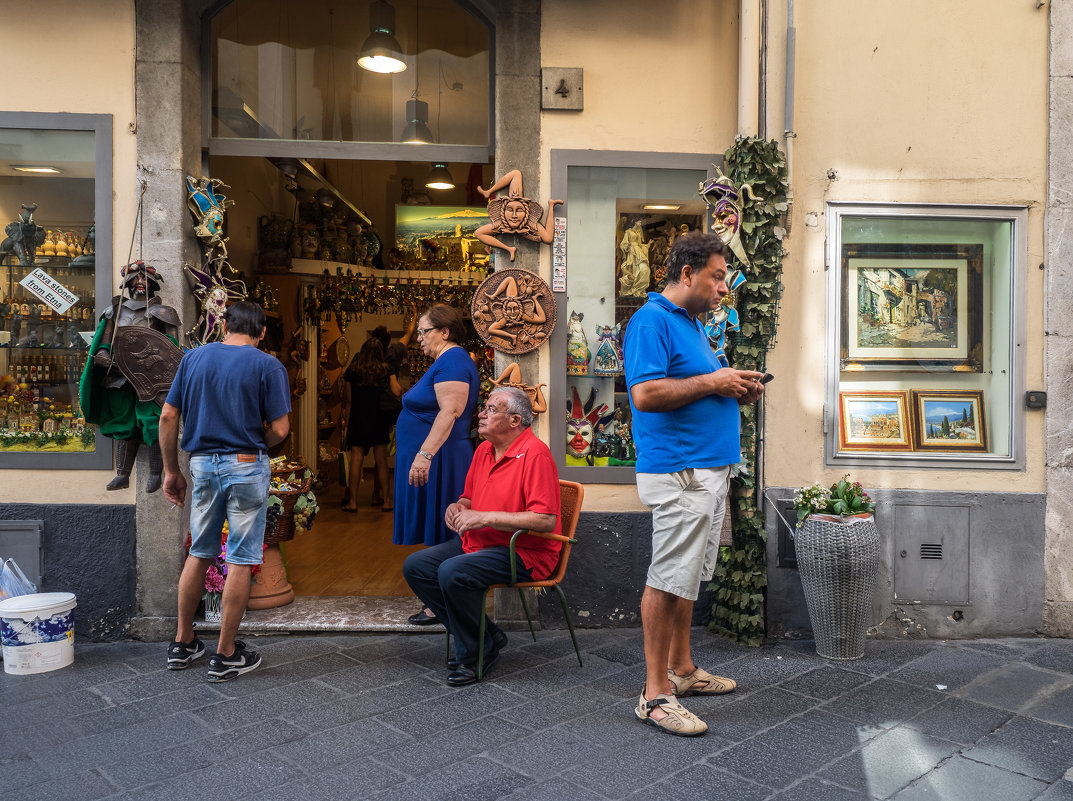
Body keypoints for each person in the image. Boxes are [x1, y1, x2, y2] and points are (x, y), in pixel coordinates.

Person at [623, 232, 765, 737]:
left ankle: (681, 671)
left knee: (686, 575)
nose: (725, 288)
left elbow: (691, 387)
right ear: (688, 275)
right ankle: (654, 694)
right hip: (681, 471)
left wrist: (732, 389)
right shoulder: (651, 321)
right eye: (718, 276)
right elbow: (646, 394)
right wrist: (715, 382)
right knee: (668, 576)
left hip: (706, 469)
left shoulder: (690, 325)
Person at [159, 301, 291, 682]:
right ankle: (225, 653)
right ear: (262, 332)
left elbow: (168, 416)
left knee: (199, 551)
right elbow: (280, 430)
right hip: (247, 464)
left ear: (224, 326)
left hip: (201, 463)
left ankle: (183, 643)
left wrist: (171, 470)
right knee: (240, 557)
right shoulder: (267, 365)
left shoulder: (194, 359)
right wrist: (255, 446)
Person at [402, 386, 561, 686]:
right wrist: (458, 507)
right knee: (417, 567)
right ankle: (485, 636)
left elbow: (544, 519)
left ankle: (475, 654)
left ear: (515, 421)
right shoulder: (484, 450)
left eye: (491, 409)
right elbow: (469, 499)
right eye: (484, 407)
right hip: (483, 544)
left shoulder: (535, 454)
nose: (481, 413)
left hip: (525, 552)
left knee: (453, 571)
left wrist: (483, 517)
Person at [393, 303, 480, 626]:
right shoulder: (447, 361)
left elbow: (450, 411)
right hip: (439, 457)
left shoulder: (454, 360)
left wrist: (424, 455)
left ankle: (440, 601)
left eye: (424, 331)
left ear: (445, 332)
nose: (419, 338)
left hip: (443, 459)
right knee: (437, 529)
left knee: (445, 530)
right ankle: (437, 598)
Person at [341, 338, 400, 512]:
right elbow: (396, 390)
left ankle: (352, 501)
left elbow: (348, 400)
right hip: (379, 417)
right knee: (381, 460)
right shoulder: (386, 369)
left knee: (356, 459)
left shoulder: (352, 370)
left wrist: (345, 424)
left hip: (358, 418)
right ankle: (387, 501)